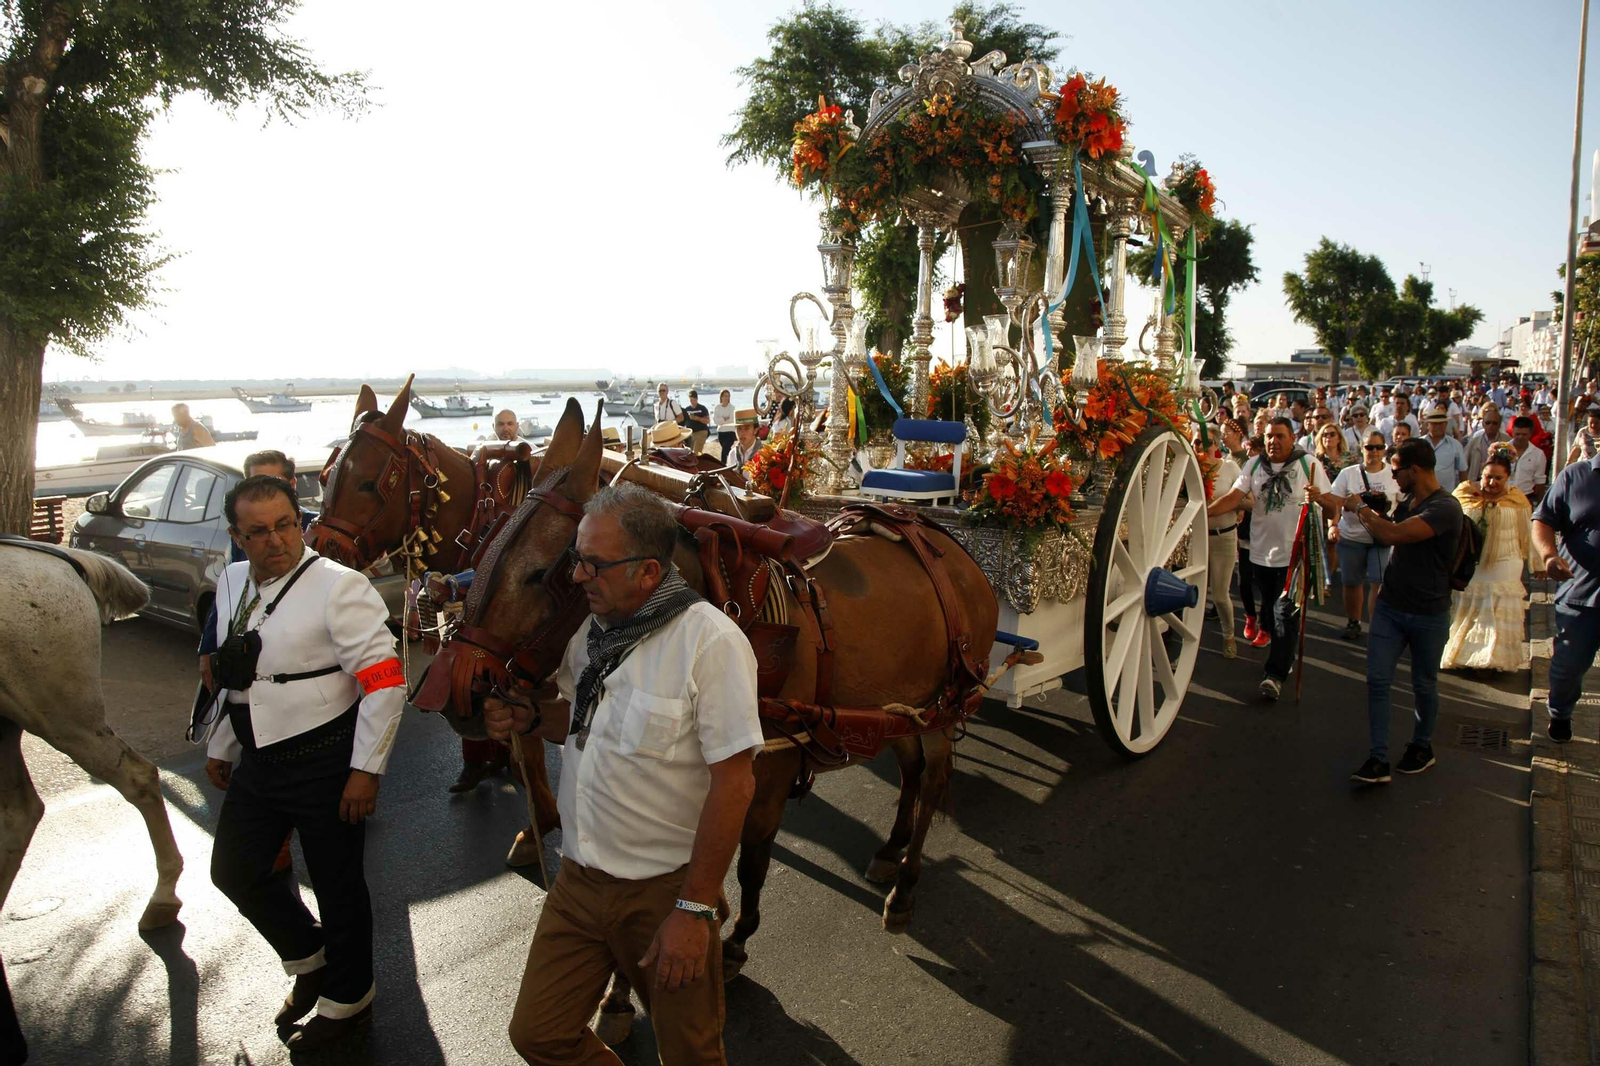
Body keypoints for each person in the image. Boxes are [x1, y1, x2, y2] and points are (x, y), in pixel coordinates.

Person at [483, 483, 761, 1064]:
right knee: (538, 1034)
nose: (578, 576)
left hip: (663, 893)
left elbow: (735, 785)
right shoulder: (592, 631)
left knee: (690, 1054)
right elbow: (589, 724)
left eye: (592, 563)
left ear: (649, 571)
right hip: (578, 883)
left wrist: (694, 908)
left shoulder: (710, 643)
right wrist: (532, 716)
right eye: (576, 559)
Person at [203, 475, 405, 1049]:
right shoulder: (232, 582)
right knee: (234, 871)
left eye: (286, 525)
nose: (276, 541)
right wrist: (223, 743)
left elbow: (385, 683)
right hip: (259, 759)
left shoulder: (339, 587)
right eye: (259, 531)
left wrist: (366, 770)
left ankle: (349, 999)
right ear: (237, 536)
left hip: (326, 759)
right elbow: (235, 672)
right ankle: (309, 956)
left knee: (338, 886)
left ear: (302, 522)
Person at [1343, 439, 1463, 784]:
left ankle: (1422, 746)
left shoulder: (1445, 508)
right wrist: (1376, 511)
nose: (1391, 474)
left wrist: (1361, 510)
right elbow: (1388, 530)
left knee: (1424, 684)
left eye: (1396, 469)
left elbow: (1393, 535)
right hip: (1391, 608)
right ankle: (1378, 759)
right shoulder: (1410, 500)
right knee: (1377, 680)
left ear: (1415, 469)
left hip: (1428, 612)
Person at [1206, 418, 1336, 700]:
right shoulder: (1253, 465)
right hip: (1261, 553)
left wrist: (1320, 498)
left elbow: (1332, 507)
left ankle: (1274, 675)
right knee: (1271, 611)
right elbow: (1233, 497)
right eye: (1268, 436)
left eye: (1279, 436)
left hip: (1295, 555)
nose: (1273, 442)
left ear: (1292, 438)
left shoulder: (1308, 465)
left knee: (1283, 614)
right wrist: (1202, 514)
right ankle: (1284, 657)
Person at [1440, 454, 1542, 672]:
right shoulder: (1464, 494)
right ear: (1481, 475)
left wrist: (1538, 564)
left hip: (1507, 561)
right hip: (1472, 563)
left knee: (1497, 608)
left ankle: (1490, 661)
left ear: (1508, 478)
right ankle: (1465, 656)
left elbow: (1528, 533)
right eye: (1488, 477)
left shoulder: (1517, 500)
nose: (1492, 483)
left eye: (1498, 478)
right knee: (1472, 606)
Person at [1534, 437, 1600, 742]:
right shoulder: (1576, 475)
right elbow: (1544, 520)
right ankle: (1560, 711)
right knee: (1567, 668)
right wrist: (1549, 556)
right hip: (1579, 597)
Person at [1328, 430, 1399, 640]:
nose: (1374, 452)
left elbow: (1404, 502)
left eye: (1378, 447)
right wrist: (1333, 525)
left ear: (1384, 449)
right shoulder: (1348, 473)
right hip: (1352, 536)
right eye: (1369, 447)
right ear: (1362, 449)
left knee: (1379, 583)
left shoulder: (1393, 473)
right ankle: (1353, 622)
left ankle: (1377, 626)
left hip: (1382, 537)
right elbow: (1335, 503)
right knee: (1352, 582)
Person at [1201, 428, 1244, 658]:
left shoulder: (1230, 467)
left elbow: (1248, 500)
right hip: (1198, 538)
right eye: (1196, 441)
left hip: (1225, 536)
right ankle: (1191, 645)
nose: (1200, 446)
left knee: (1219, 595)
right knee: (1194, 596)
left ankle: (1229, 636)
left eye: (1205, 442)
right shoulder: (1190, 469)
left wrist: (1233, 506)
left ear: (1215, 445)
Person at [1238, 434, 1268, 649]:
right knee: (1244, 581)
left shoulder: (1269, 472)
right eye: (1247, 450)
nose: (1249, 454)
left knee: (1266, 585)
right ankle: (1250, 615)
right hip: (1246, 533)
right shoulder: (1246, 469)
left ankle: (1265, 627)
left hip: (1267, 536)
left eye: (1253, 450)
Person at [1421, 405, 1467, 487]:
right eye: (1434, 423)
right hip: (1423, 493)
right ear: (1428, 425)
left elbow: (1462, 470)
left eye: (1441, 423)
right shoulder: (1419, 444)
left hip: (1446, 494)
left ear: (1446, 425)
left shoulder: (1455, 444)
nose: (1438, 426)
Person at [1465, 404, 1510, 483]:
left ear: (1499, 425)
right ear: (1483, 424)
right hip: (1477, 481)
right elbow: (1465, 465)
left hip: (1499, 482)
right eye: (1488, 423)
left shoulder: (1507, 441)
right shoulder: (1474, 442)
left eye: (1494, 423)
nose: (1491, 426)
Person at [1507, 415, 1548, 502]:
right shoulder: (1501, 449)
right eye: (1517, 434)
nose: (1520, 437)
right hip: (1501, 497)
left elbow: (1540, 482)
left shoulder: (1538, 454)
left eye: (1524, 434)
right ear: (1512, 431)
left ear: (1530, 434)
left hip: (1525, 498)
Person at [681, 390, 712, 455]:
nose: (693, 402)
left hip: (701, 431)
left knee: (697, 451)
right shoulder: (687, 409)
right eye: (691, 400)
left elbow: (707, 420)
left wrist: (696, 418)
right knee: (689, 452)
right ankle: (698, 460)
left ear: (697, 399)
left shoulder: (702, 408)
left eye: (694, 400)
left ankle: (699, 461)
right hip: (691, 434)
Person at [712, 389, 737, 461]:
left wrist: (721, 420)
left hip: (730, 431)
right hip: (721, 432)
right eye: (725, 396)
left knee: (725, 449)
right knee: (727, 450)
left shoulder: (732, 408)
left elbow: (731, 419)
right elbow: (716, 421)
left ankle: (722, 464)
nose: (727, 398)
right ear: (721, 397)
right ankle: (732, 461)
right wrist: (724, 419)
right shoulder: (717, 407)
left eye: (728, 396)